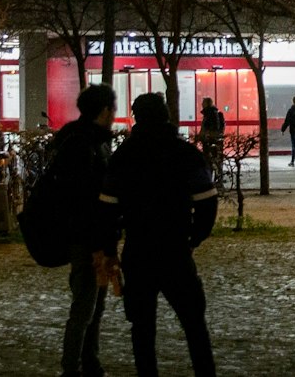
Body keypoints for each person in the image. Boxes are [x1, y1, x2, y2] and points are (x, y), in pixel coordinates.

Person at [98, 93, 218, 377]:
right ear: (166, 116)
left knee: (142, 328)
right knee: (194, 324)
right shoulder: (185, 154)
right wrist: (194, 237)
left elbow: (107, 209)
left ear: (136, 117)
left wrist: (109, 249)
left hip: (138, 250)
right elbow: (207, 201)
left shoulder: (123, 156)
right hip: (175, 249)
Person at [46, 84, 118, 377]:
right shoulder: (85, 144)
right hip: (87, 237)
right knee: (85, 307)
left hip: (90, 234)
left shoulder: (83, 140)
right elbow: (87, 197)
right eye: (112, 108)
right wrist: (99, 240)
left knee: (94, 307)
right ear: (103, 111)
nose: (115, 114)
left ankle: (89, 363)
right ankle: (72, 368)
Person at [197, 97, 225, 172]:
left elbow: (210, 127)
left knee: (210, 159)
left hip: (210, 140)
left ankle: (213, 175)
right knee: (213, 159)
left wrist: (204, 135)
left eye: (203, 103)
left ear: (206, 104)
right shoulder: (211, 113)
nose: (201, 104)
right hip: (211, 140)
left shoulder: (210, 113)